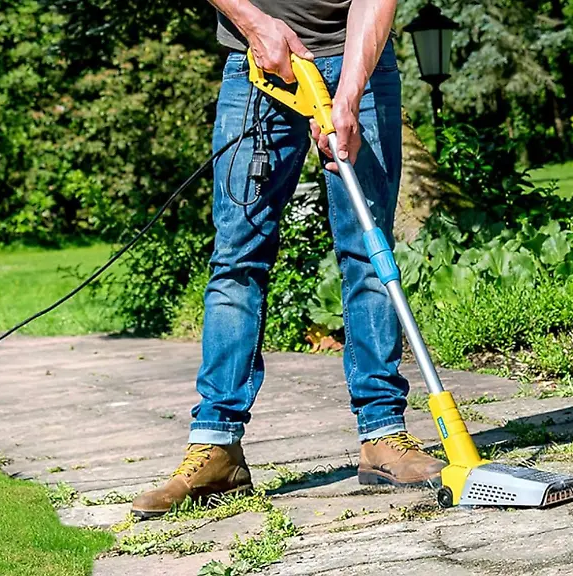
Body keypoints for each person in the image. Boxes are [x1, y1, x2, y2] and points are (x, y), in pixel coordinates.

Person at [131, 0, 445, 519]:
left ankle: (384, 436)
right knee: (238, 257)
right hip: (256, 62)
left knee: (370, 251)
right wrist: (255, 25)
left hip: (357, 58)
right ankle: (216, 446)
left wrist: (349, 93)